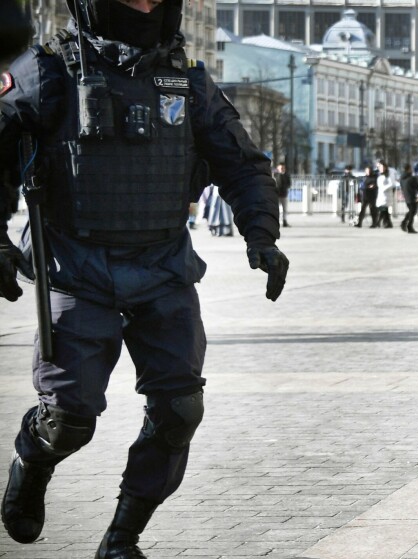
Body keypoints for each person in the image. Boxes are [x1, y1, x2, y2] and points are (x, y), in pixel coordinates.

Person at [0, 0, 290, 556]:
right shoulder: (47, 72)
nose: (146, 6)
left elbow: (243, 163)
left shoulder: (185, 81)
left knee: (180, 410)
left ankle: (122, 538)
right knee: (67, 419)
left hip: (162, 270)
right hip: (76, 268)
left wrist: (262, 236)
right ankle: (32, 462)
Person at [399, 164, 418, 233]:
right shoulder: (411, 178)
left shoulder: (402, 178)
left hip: (406, 196)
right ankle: (408, 226)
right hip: (412, 197)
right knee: (413, 212)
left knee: (411, 211)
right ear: (409, 169)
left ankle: (405, 223)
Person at [376, 161, 395, 229]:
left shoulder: (389, 174)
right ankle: (388, 223)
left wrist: (384, 188)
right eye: (379, 167)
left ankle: (379, 222)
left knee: (383, 209)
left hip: (386, 195)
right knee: (383, 210)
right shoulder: (380, 174)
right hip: (381, 195)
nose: (380, 168)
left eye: (381, 167)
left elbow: (392, 184)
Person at [274, 162, 291, 227]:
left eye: (283, 168)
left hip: (284, 194)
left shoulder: (286, 175)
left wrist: (285, 187)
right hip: (277, 195)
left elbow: (289, 184)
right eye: (280, 168)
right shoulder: (275, 175)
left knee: (284, 209)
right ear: (278, 168)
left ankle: (284, 221)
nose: (282, 169)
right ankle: (276, 222)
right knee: (276, 209)